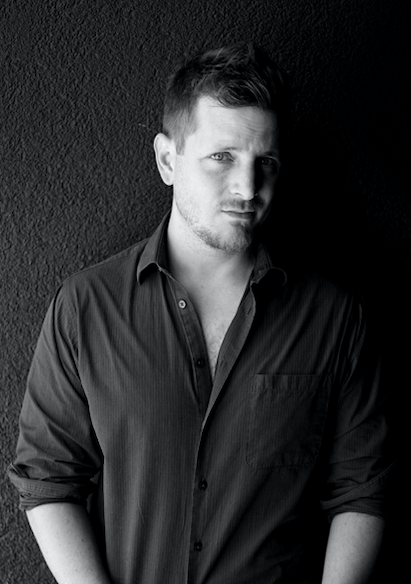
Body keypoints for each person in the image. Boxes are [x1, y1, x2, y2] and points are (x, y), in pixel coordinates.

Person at [8, 44, 393, 584]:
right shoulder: (85, 307)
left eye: (266, 162)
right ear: (168, 160)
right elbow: (48, 482)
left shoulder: (334, 318)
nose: (248, 188)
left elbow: (362, 490)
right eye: (222, 157)